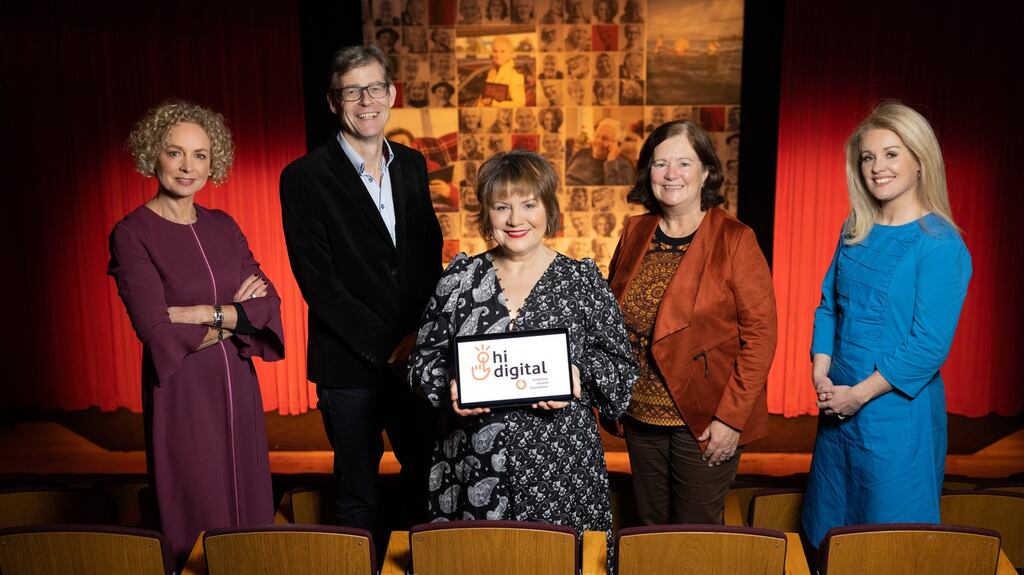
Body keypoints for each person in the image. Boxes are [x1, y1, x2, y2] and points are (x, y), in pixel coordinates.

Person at [407, 150, 637, 564]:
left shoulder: (581, 281)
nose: (516, 219)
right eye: (502, 207)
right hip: (474, 466)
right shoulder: (459, 280)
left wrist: (577, 375)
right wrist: (448, 386)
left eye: (529, 204)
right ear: (487, 213)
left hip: (561, 468)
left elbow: (621, 372)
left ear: (548, 208)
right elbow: (421, 362)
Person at [279, 45, 443, 552]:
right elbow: (319, 284)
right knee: (357, 496)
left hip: (416, 363)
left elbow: (427, 260)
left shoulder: (412, 164)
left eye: (374, 88)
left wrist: (423, 339)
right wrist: (393, 345)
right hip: (349, 367)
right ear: (334, 102)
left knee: (428, 483)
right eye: (352, 92)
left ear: (391, 94)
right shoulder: (304, 177)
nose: (366, 101)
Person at [109, 100, 285, 565]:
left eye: (200, 155)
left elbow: (267, 306)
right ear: (153, 155)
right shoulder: (132, 233)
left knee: (250, 520)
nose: (188, 167)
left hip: (239, 389)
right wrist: (234, 317)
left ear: (213, 163)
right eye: (175, 153)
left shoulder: (223, 225)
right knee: (195, 512)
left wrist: (201, 313)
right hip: (183, 392)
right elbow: (158, 334)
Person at [801, 102, 972, 548]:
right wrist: (821, 373)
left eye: (892, 154)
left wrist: (858, 395)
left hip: (896, 416)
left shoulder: (941, 244)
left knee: (888, 542)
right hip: (838, 407)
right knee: (831, 533)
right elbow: (829, 307)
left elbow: (927, 346)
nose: (878, 167)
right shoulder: (855, 228)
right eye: (868, 157)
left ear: (920, 159)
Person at [605, 119, 777, 526]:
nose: (671, 174)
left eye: (684, 163)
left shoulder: (735, 239)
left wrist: (730, 419)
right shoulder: (635, 230)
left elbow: (760, 336)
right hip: (640, 417)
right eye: (660, 163)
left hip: (704, 419)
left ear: (706, 172)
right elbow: (611, 315)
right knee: (648, 529)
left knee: (694, 534)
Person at [566, 118, 635, 185]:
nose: (598, 141)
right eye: (597, 136)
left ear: (618, 145)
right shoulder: (582, 153)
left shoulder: (624, 166)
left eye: (605, 138)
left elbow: (615, 191)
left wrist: (611, 162)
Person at [479, 36, 526, 108]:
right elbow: (486, 98)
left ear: (510, 54)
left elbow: (519, 104)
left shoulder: (515, 75)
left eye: (502, 51)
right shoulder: (491, 73)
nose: (498, 55)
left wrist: (493, 103)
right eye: (495, 51)